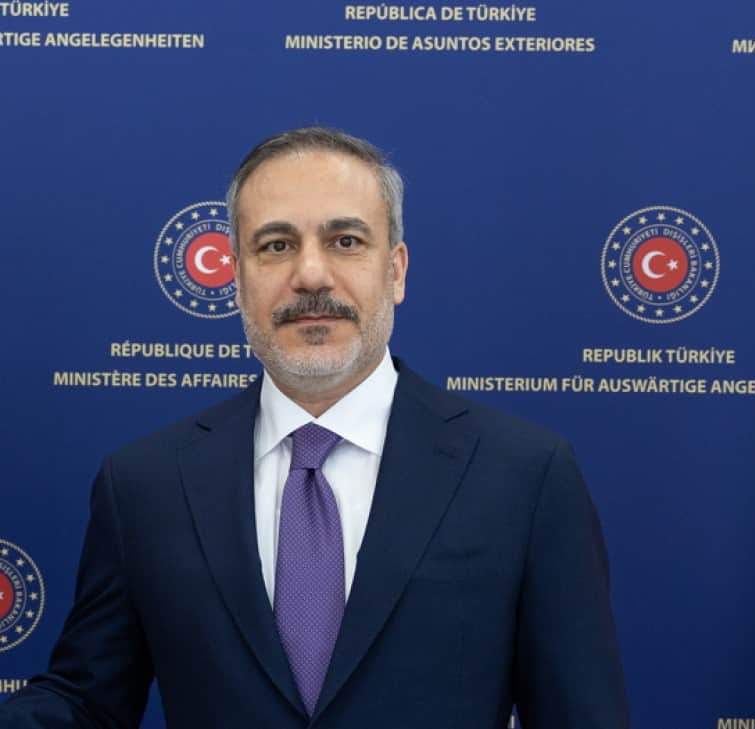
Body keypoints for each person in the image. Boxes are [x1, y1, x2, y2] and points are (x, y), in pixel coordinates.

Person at [0, 127, 630, 729]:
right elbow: (88, 704)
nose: (310, 275)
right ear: (237, 279)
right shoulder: (144, 484)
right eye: (275, 245)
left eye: (345, 241)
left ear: (396, 270)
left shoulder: (523, 475)